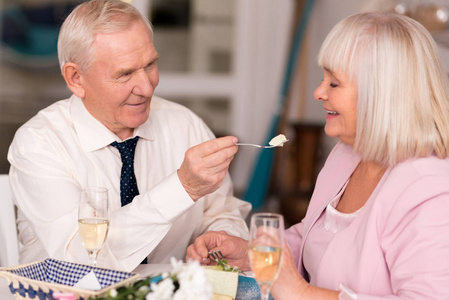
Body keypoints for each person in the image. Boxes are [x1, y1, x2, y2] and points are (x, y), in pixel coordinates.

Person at [187, 11, 449, 299]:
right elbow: (315, 241)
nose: (318, 92)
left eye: (334, 83)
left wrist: (300, 292)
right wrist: (250, 254)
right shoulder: (346, 155)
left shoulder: (432, 189)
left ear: (382, 94)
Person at [7, 0, 250, 272]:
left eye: (150, 65)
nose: (147, 87)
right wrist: (182, 188)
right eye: (125, 74)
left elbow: (221, 211)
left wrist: (221, 239)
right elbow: (81, 259)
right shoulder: (39, 144)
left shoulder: (186, 125)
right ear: (76, 78)